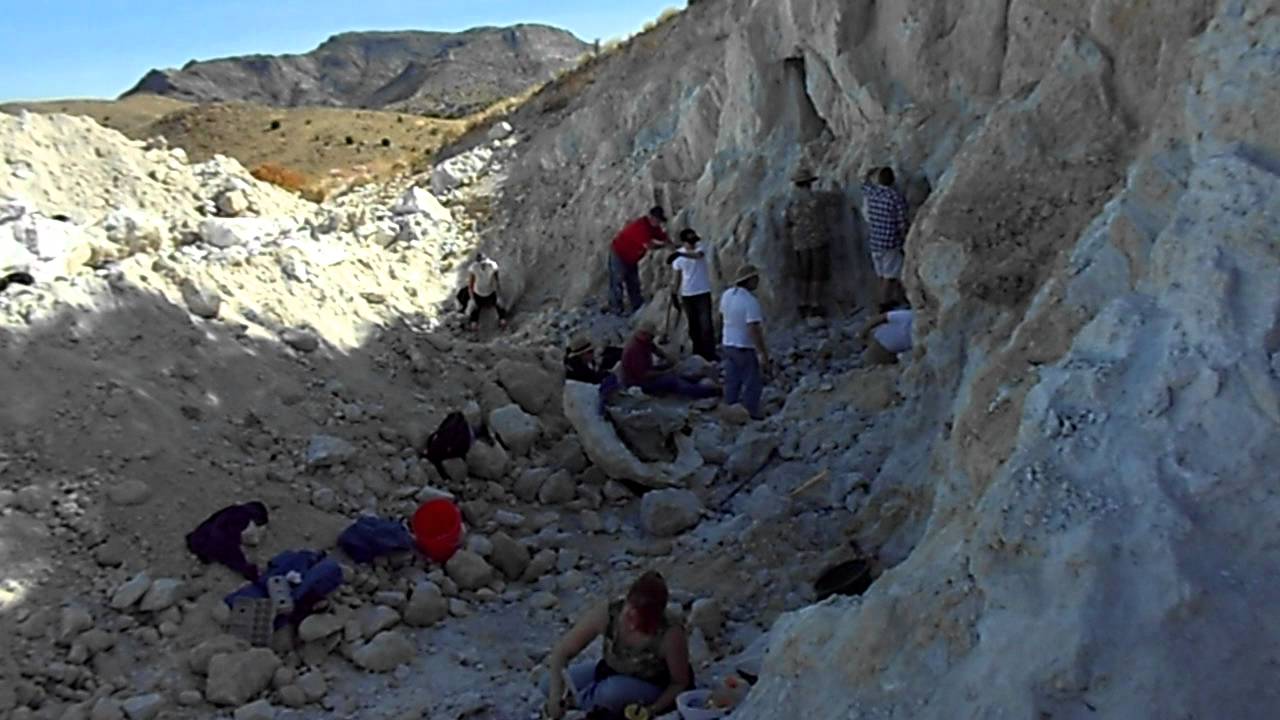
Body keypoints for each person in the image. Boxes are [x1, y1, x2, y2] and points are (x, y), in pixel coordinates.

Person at [545, 571, 693, 720]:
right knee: (547, 683)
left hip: (650, 685)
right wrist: (555, 694)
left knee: (610, 693)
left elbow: (679, 682)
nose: (633, 626)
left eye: (642, 623)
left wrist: (652, 710)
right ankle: (576, 703)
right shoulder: (608, 614)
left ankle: (580, 705)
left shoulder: (670, 634)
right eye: (630, 617)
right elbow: (563, 651)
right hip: (611, 670)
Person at [784, 165, 841, 317]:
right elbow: (837, 199)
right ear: (809, 183)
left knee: (804, 274)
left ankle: (803, 303)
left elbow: (787, 221)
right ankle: (815, 304)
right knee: (817, 274)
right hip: (818, 241)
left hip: (799, 243)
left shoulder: (791, 201)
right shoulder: (817, 197)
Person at [719, 263, 770, 420]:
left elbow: (722, 315)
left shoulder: (727, 295)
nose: (758, 281)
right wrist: (762, 353)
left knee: (732, 379)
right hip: (743, 346)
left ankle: (730, 407)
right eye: (756, 279)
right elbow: (753, 329)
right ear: (749, 280)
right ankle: (751, 412)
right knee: (752, 381)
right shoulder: (750, 301)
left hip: (728, 343)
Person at [619, 323, 719, 399]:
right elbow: (643, 374)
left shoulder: (644, 341)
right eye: (651, 336)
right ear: (644, 334)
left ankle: (697, 381)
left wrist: (669, 360)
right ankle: (707, 392)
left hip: (645, 371)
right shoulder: (635, 349)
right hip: (637, 382)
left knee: (675, 372)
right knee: (673, 381)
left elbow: (656, 350)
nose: (653, 338)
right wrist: (665, 372)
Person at [861, 167, 909, 311]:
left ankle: (882, 301)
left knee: (881, 275)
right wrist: (905, 239)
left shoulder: (873, 193)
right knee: (890, 276)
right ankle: (884, 305)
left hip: (875, 241)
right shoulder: (895, 196)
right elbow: (902, 222)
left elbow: (864, 185)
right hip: (890, 242)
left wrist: (870, 172)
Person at [609, 206, 671, 316]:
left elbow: (662, 236)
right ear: (651, 217)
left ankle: (636, 305)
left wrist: (670, 243)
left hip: (632, 257)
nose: (658, 223)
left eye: (660, 221)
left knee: (633, 281)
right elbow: (649, 245)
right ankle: (616, 308)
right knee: (618, 280)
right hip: (619, 253)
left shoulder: (654, 227)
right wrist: (664, 247)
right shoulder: (641, 227)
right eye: (657, 220)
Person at [669, 229, 717, 361]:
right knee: (693, 326)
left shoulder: (699, 249)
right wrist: (674, 293)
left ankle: (710, 354)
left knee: (706, 325)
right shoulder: (678, 258)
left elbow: (698, 256)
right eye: (690, 242)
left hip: (702, 292)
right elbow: (677, 277)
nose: (693, 244)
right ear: (684, 242)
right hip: (687, 294)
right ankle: (698, 353)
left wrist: (680, 254)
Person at [466, 252, 507, 331]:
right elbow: (471, 284)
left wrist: (498, 296)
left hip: (490, 292)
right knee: (474, 310)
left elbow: (496, 281)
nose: (482, 265)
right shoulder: (473, 268)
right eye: (480, 263)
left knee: (500, 306)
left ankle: (502, 321)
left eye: (484, 263)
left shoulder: (492, 266)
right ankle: (474, 326)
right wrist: (472, 299)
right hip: (478, 293)